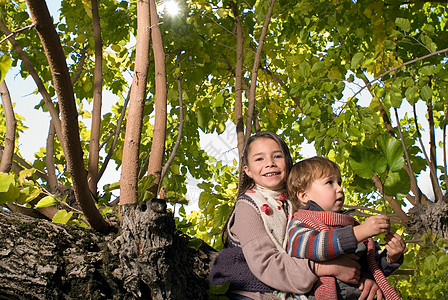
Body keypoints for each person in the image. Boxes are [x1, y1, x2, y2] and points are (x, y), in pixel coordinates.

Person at [209, 132, 365, 300]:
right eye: (259, 159)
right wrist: (325, 268)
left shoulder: (300, 201)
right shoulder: (247, 207)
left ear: (288, 162)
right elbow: (266, 264)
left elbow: (328, 242)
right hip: (251, 291)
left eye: (277, 156)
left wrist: (362, 278)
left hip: (294, 289)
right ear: (247, 170)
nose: (270, 163)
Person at [286, 156, 406, 300]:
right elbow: (307, 247)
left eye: (339, 182)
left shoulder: (351, 224)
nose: (340, 188)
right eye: (329, 182)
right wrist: (358, 233)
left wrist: (392, 257)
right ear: (304, 195)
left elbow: (370, 268)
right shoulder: (303, 221)